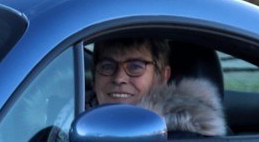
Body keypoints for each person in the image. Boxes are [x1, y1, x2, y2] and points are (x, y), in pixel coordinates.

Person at [90, 35, 226, 136]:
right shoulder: (71, 113)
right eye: (107, 66)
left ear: (161, 76)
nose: (119, 78)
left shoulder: (185, 136)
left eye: (135, 67)